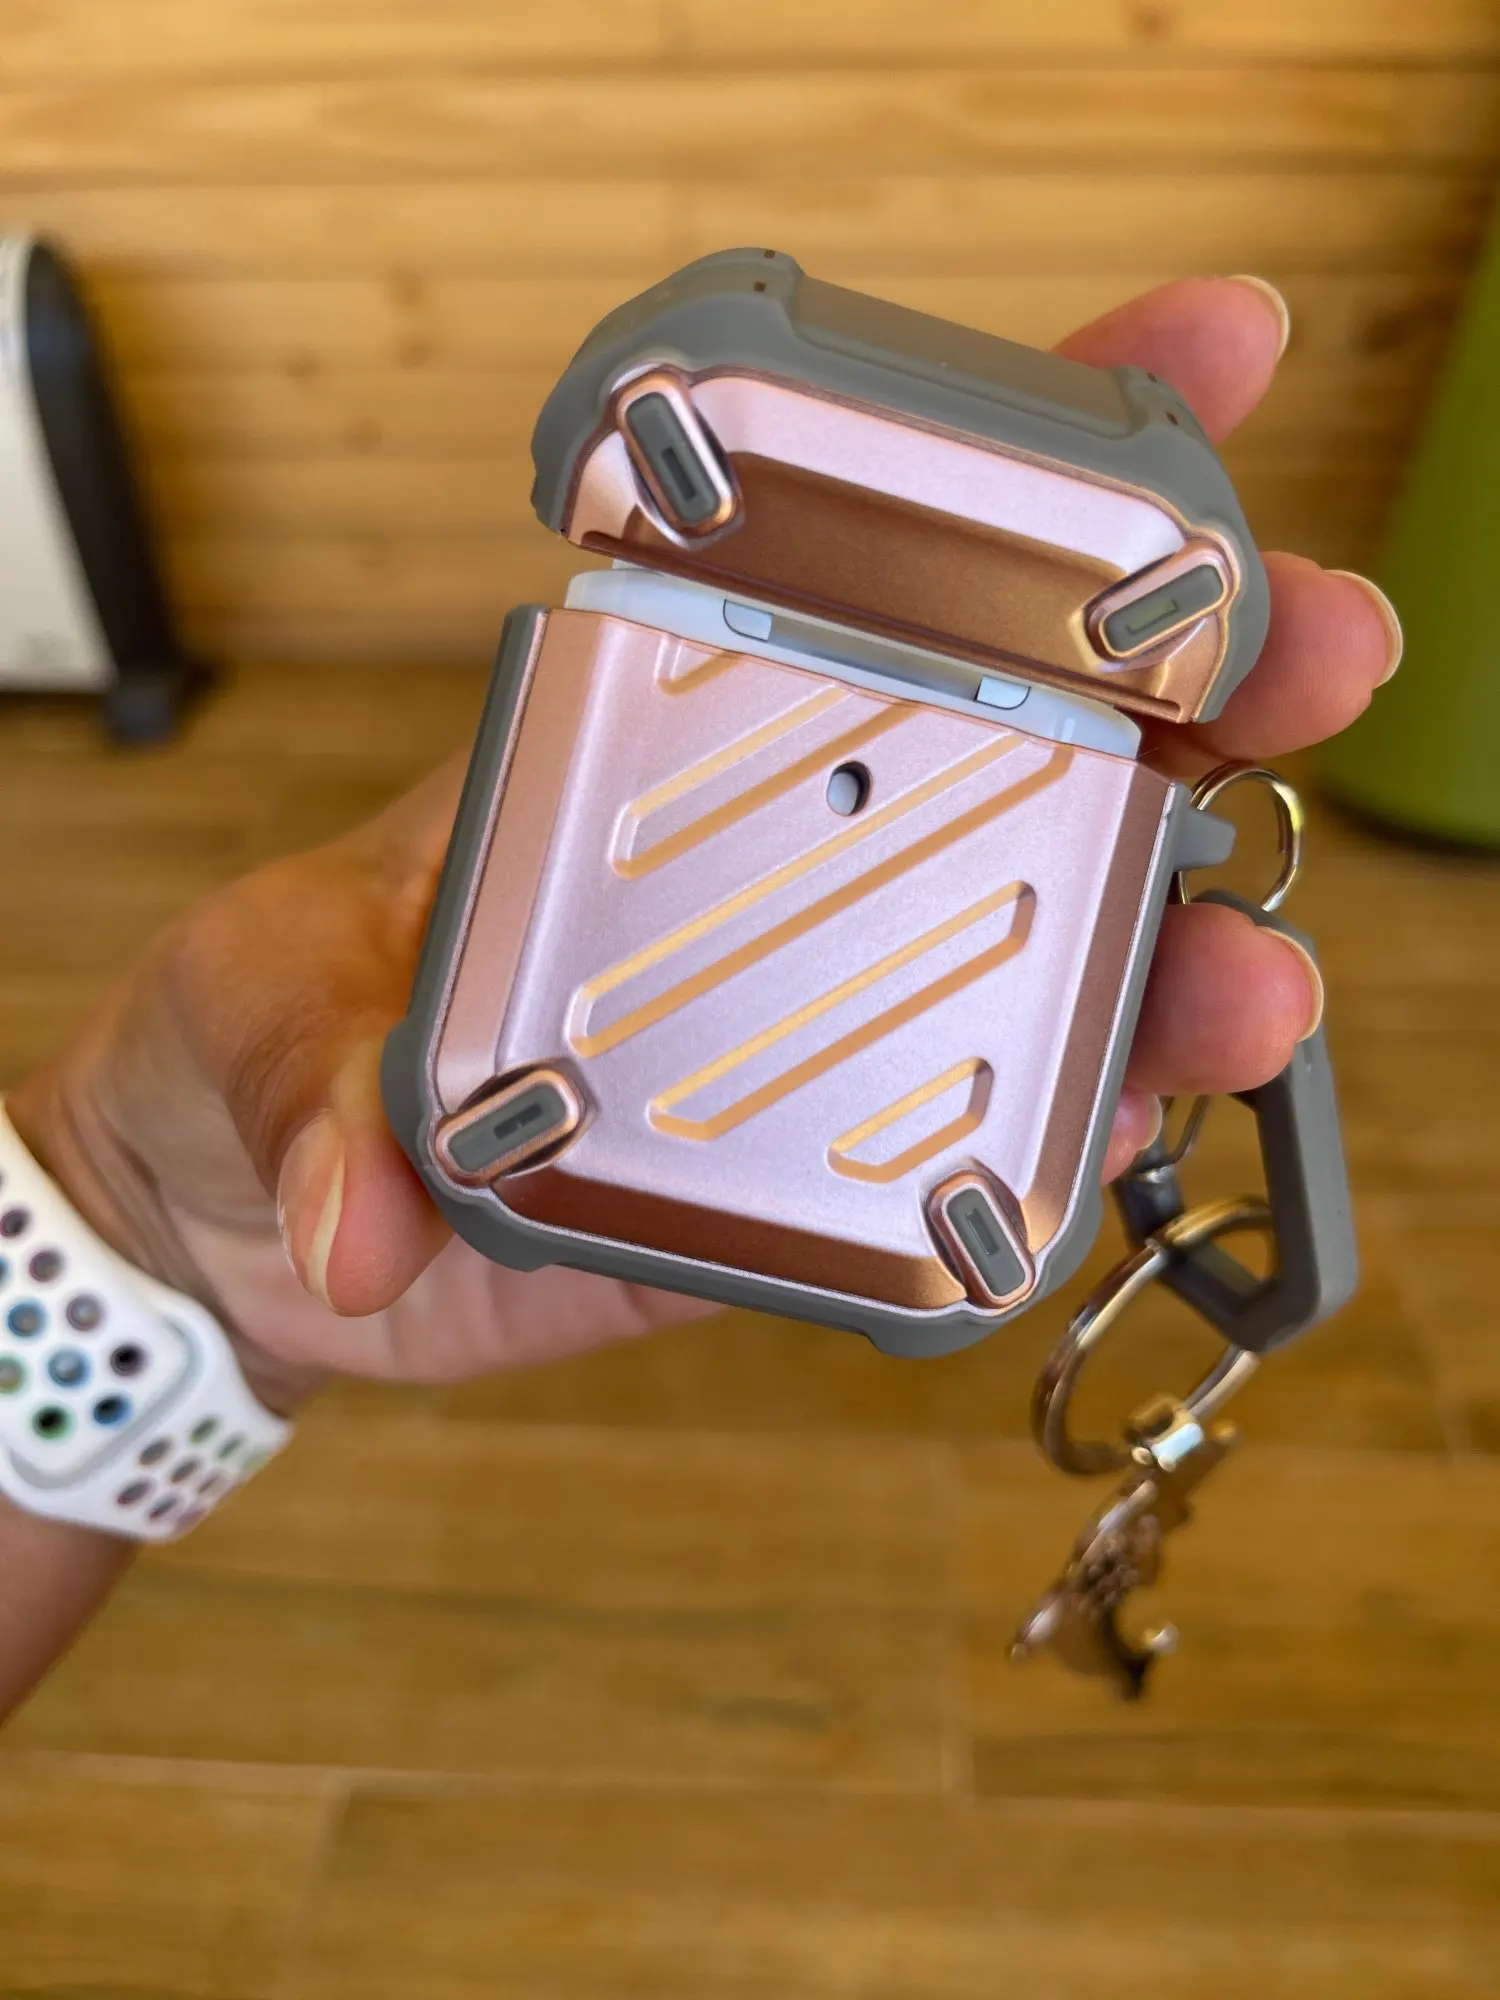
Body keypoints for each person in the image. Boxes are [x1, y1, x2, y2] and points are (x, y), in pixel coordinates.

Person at [0, 276, 1401, 1719]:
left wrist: (142, 1238)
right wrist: (134, 1224)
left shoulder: (690, 429)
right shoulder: (1126, 564)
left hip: (647, 1138)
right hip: (885, 1192)